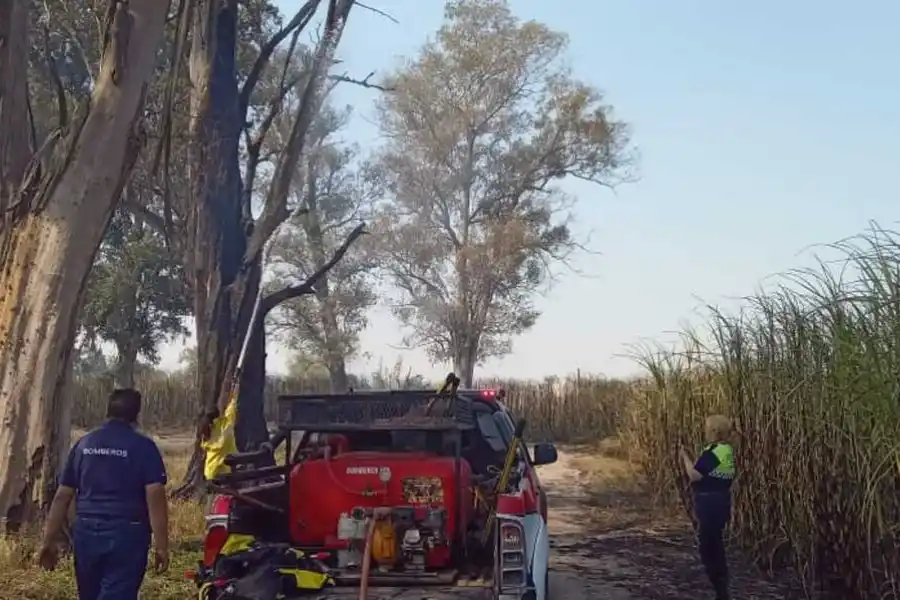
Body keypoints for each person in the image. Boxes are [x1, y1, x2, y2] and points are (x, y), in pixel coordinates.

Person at [38, 388, 170, 600]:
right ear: (136, 415)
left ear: (107, 411)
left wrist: (48, 540)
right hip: (127, 535)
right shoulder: (144, 447)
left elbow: (63, 496)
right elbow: (155, 496)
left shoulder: (84, 445)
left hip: (86, 534)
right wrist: (162, 546)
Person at [680, 414, 736, 600]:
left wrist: (685, 457)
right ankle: (721, 589)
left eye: (706, 427)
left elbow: (695, 475)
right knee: (714, 544)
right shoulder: (725, 450)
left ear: (714, 431)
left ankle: (721, 590)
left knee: (708, 547)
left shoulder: (716, 451)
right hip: (719, 501)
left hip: (711, 503)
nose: (704, 430)